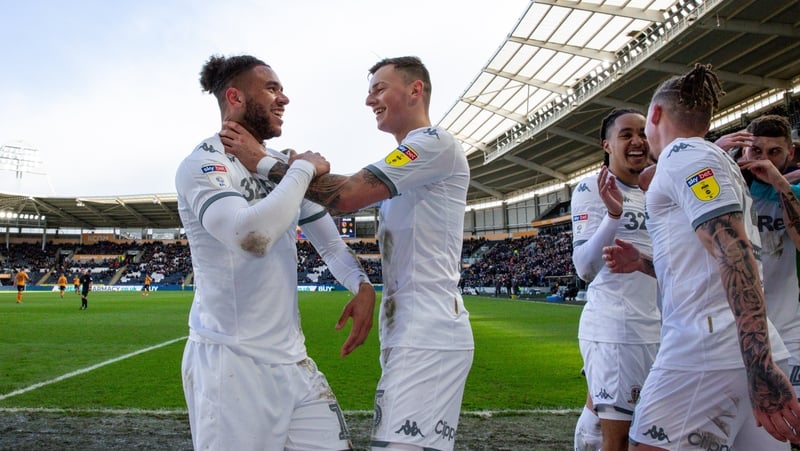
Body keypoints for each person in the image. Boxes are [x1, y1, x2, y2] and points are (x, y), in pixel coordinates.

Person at [222, 55, 473, 451]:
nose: (370, 100)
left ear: (415, 89)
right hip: (410, 331)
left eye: (379, 89)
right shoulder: (411, 161)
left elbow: (348, 195)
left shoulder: (433, 143)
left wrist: (265, 162)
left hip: (430, 333)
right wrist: (363, 285)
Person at [175, 54, 376, 450]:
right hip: (232, 365)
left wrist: (362, 284)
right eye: (271, 89)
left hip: (293, 361)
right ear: (235, 97)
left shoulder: (278, 166)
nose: (284, 99)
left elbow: (329, 243)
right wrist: (303, 169)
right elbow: (252, 235)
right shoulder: (203, 163)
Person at [602, 63, 800, 449]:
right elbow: (709, 258)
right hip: (738, 351)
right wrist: (642, 263)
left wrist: (759, 366)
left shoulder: (685, 155)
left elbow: (734, 251)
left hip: (706, 351)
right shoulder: (711, 160)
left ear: (655, 114)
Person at [569, 108, 660, 451]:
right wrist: (613, 215)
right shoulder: (592, 188)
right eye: (626, 135)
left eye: (642, 133)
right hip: (617, 329)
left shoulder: (656, 189)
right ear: (606, 145)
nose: (637, 141)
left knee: (610, 423)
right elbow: (585, 268)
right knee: (619, 437)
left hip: (656, 326)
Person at [737, 114, 800, 399]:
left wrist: (780, 183)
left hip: (789, 328)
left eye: (774, 152)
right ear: (743, 151)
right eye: (756, 151)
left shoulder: (794, 192)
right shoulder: (729, 191)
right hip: (738, 333)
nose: (764, 159)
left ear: (791, 152)